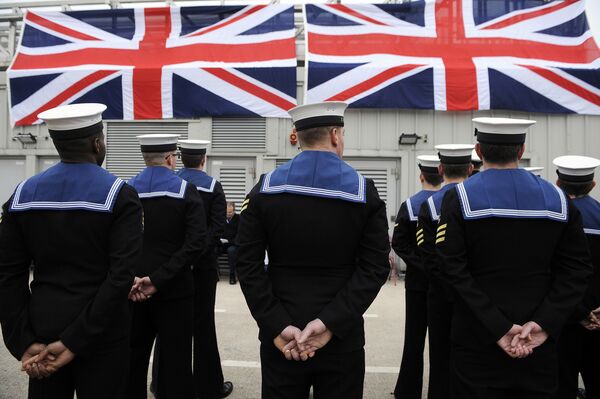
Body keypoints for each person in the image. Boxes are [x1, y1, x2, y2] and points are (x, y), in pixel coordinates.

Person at [236, 101, 390, 399]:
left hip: (283, 336)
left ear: (298, 136)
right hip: (340, 335)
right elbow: (374, 268)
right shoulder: (363, 191)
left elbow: (247, 263)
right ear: (335, 134)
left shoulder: (265, 188)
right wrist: (329, 324)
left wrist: (277, 324)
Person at [437, 117, 593, 399]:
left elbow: (450, 270)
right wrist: (544, 324)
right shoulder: (558, 200)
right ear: (521, 151)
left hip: (477, 340)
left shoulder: (459, 197)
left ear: (479, 150)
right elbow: (577, 270)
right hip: (537, 344)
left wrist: (498, 327)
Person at [0, 103, 143, 399]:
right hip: (102, 334)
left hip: (42, 333)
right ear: (96, 142)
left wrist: (23, 340)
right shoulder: (120, 195)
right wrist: (74, 341)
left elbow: (7, 273)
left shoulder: (22, 195)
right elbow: (120, 278)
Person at [126, 134, 206, 399]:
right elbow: (195, 244)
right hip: (175, 291)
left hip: (132, 292)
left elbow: (116, 244)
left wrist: (134, 278)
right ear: (171, 158)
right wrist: (158, 279)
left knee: (131, 362)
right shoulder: (185, 190)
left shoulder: (126, 190)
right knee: (176, 363)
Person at [176, 139, 233, 399]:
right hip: (202, 266)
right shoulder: (213, 186)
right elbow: (218, 226)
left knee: (171, 325)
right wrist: (196, 253)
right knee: (203, 326)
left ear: (179, 159)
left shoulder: (172, 184)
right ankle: (209, 386)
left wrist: (179, 257)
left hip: (172, 268)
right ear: (203, 159)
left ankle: (165, 383)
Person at [417, 144, 474, 399]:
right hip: (474, 298)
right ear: (471, 169)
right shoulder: (477, 199)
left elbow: (428, 256)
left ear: (441, 169)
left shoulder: (429, 204)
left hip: (440, 295)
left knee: (440, 359)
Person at [392, 155, 443, 399]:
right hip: (443, 283)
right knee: (442, 341)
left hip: (416, 283)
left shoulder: (410, 205)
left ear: (421, 175)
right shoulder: (448, 202)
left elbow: (399, 243)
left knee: (413, 339)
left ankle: (407, 391)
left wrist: (419, 264)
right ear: (442, 174)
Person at [553, 155, 600, 399]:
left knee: (562, 383)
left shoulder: (552, 218)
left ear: (558, 183)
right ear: (592, 185)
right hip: (598, 316)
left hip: (562, 315)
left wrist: (578, 312)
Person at [221, 201, 239, 285]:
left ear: (234, 211)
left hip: (233, 244)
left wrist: (230, 241)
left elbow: (240, 235)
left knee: (231, 251)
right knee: (211, 249)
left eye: (230, 212)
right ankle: (212, 274)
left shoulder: (239, 219)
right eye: (227, 212)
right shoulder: (220, 218)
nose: (228, 214)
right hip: (221, 244)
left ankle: (232, 275)